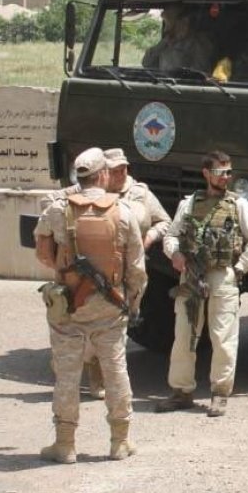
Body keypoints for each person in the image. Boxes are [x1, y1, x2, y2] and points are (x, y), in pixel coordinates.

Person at [33, 147, 147, 463]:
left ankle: (65, 444)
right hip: (111, 307)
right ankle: (119, 441)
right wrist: (132, 302)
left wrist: (62, 271)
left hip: (69, 307)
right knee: (115, 371)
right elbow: (137, 269)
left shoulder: (57, 210)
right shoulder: (123, 212)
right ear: (104, 174)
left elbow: (42, 252)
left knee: (67, 375)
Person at [156, 150, 248, 417]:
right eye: (220, 172)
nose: (226, 177)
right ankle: (181, 392)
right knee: (183, 336)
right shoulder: (189, 204)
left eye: (228, 172)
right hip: (191, 276)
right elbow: (172, 236)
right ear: (206, 173)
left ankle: (220, 393)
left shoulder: (238, 205)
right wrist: (176, 254)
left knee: (223, 337)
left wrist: (239, 268)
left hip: (222, 275)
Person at [64, 148, 173, 399]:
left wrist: (147, 239)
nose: (121, 173)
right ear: (104, 173)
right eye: (114, 170)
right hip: (95, 269)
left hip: (129, 268)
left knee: (119, 324)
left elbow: (165, 222)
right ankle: (95, 372)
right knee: (89, 323)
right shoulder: (90, 195)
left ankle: (115, 386)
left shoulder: (140, 193)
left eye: (124, 168)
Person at [142, 5, 215, 73]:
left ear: (184, 22)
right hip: (164, 84)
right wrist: (164, 42)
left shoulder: (199, 43)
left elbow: (200, 73)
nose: (166, 28)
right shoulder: (167, 42)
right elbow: (147, 63)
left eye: (169, 20)